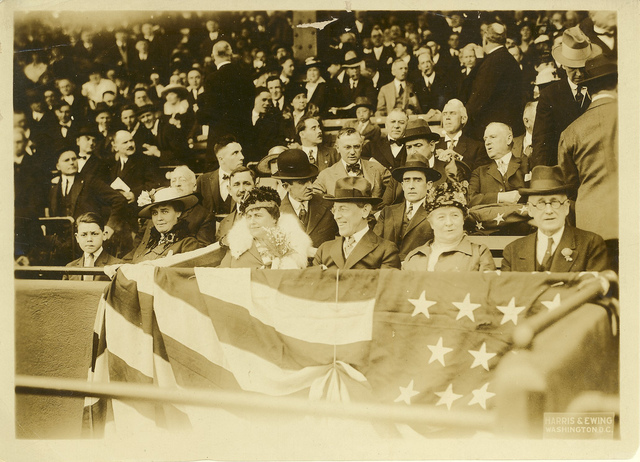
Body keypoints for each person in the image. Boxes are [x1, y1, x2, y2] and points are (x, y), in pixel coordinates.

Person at [558, 54, 618, 272]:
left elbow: (569, 184)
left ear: (587, 89)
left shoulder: (572, 131)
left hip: (591, 224)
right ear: (617, 84)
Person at [501, 166, 608, 272]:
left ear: (566, 207)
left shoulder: (591, 245)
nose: (548, 211)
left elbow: (593, 287)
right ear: (530, 210)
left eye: (555, 202)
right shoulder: (512, 251)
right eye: (540, 203)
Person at [531, 26, 602, 168]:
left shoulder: (600, 90)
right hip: (562, 168)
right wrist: (541, 174)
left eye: (583, 68)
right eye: (572, 68)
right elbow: (541, 140)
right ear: (563, 65)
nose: (579, 74)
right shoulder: (550, 95)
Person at [404, 181, 495, 271]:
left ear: (463, 219)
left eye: (455, 215)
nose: (449, 223)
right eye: (441, 217)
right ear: (431, 223)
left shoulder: (479, 253)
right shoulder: (414, 257)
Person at [313, 177, 401, 270]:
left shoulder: (386, 251)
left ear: (365, 210)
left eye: (343, 209)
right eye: (334, 210)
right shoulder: (324, 250)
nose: (336, 216)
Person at [219, 186, 312, 269]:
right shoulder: (237, 246)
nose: (252, 222)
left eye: (258, 216)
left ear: (274, 218)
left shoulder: (292, 246)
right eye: (249, 216)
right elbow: (222, 275)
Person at [374, 154, 442, 260]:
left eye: (417, 180)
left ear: (429, 185)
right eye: (407, 180)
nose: (411, 186)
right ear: (402, 185)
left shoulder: (436, 213)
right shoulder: (387, 212)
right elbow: (374, 245)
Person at [198, 41, 255, 165]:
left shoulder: (212, 78)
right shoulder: (246, 76)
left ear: (213, 56)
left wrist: (199, 111)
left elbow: (209, 112)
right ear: (231, 54)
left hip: (221, 139)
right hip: (244, 137)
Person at [465, 23, 525, 140]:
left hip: (492, 130)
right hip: (508, 127)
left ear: (485, 39)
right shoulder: (509, 59)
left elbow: (478, 98)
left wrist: (463, 118)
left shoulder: (491, 63)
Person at [274, 149, 338, 252]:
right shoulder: (276, 213)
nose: (310, 186)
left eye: (310, 180)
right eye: (302, 182)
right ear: (286, 186)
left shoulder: (328, 203)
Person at [124, 187, 203, 263]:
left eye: (164, 212)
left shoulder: (187, 244)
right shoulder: (150, 243)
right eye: (155, 213)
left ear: (178, 212)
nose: (159, 218)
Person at [313, 128, 389, 199]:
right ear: (337, 148)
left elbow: (396, 189)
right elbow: (314, 199)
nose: (352, 152)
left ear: (362, 147)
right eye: (347, 147)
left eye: (356, 147)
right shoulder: (326, 175)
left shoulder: (378, 169)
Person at [468, 122, 529, 207]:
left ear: (509, 139)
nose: (487, 143)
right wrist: (500, 197)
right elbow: (470, 200)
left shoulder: (526, 165)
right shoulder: (479, 172)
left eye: (492, 137)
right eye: (485, 139)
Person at [435, 99, 490, 172]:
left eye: (452, 113)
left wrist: (458, 158)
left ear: (463, 119)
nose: (447, 117)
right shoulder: (435, 146)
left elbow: (480, 173)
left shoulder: (477, 147)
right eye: (444, 114)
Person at [63, 212, 122, 281]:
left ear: (104, 235)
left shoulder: (118, 265)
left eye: (94, 234)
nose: (89, 239)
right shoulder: (70, 267)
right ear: (77, 238)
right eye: (84, 235)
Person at [196, 135, 245, 216]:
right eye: (235, 153)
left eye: (241, 152)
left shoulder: (248, 179)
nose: (242, 157)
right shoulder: (203, 180)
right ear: (221, 159)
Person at [216, 166, 256, 244]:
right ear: (229, 190)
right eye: (236, 184)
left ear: (255, 186)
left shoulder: (267, 215)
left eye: (246, 184)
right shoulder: (224, 224)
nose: (241, 189)